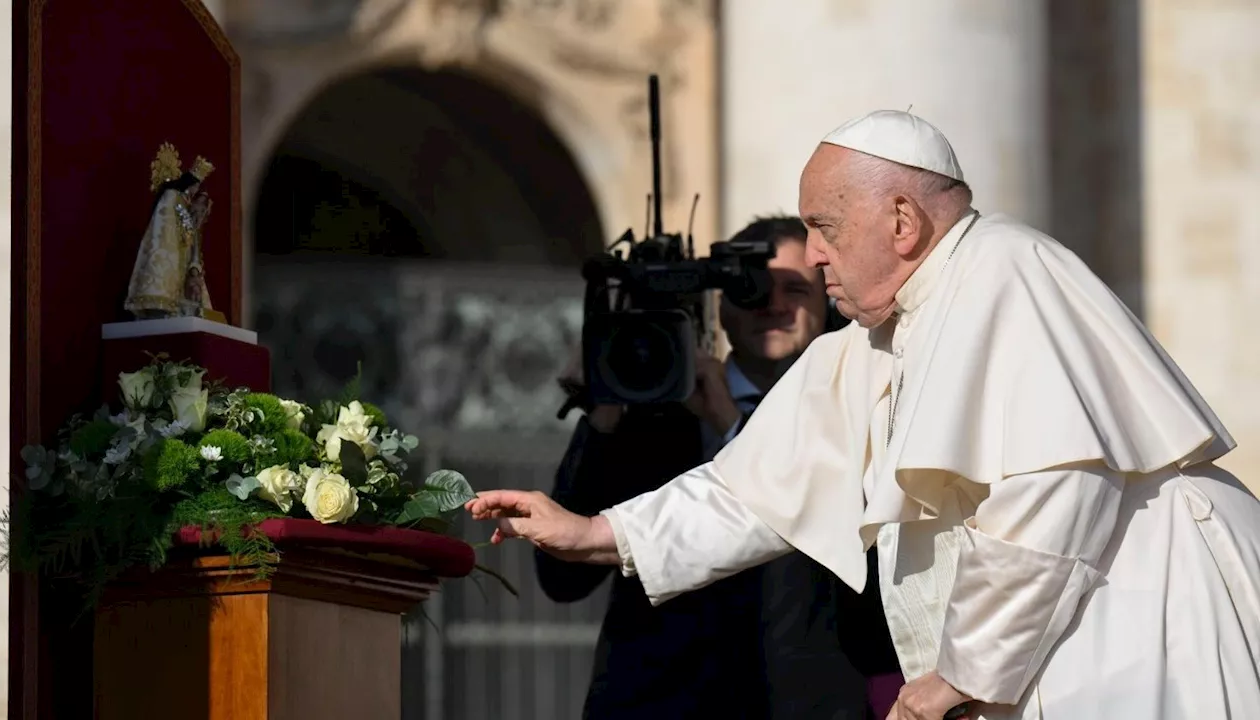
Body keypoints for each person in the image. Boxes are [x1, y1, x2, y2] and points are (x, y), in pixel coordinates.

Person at [467, 109, 1260, 720]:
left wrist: (961, 671)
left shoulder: (1006, 273)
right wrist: (599, 533)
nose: (812, 255)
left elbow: (1053, 492)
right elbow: (758, 488)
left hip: (1145, 609)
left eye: (826, 228)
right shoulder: (879, 335)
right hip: (1060, 630)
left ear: (904, 223)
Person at [538, 216, 899, 719]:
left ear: (827, 304)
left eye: (794, 288)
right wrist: (605, 405)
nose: (772, 304)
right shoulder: (653, 411)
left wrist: (734, 431)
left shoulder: (859, 415)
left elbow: (877, 606)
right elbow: (560, 580)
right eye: (749, 289)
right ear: (720, 305)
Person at [126, 143, 217, 320]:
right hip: (171, 255)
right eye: (195, 185)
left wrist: (194, 268)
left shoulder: (185, 204)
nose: (196, 190)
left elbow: (191, 237)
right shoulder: (172, 197)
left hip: (183, 261)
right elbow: (164, 231)